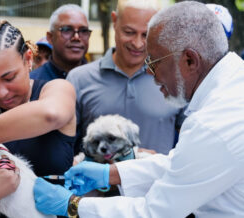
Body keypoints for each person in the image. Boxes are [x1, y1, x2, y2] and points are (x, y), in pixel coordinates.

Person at [33, 1, 244, 217]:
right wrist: (112, 174)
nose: (150, 73)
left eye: (153, 62)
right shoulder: (230, 90)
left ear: (190, 60)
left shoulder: (215, 122)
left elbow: (154, 212)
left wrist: (72, 205)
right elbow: (184, 164)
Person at [0, 20, 76, 217]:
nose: (1, 93)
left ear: (28, 59)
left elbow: (51, 114)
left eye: (9, 78)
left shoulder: (56, 90)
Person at [67, 0, 182, 155]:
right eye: (129, 32)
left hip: (158, 179)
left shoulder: (176, 80)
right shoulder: (79, 79)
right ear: (115, 21)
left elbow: (194, 145)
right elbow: (65, 148)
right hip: (96, 179)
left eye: (146, 35)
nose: (138, 43)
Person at [30, 4, 91, 80]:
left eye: (83, 31)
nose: (76, 37)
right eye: (67, 30)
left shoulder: (101, 80)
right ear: (50, 37)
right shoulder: (32, 83)